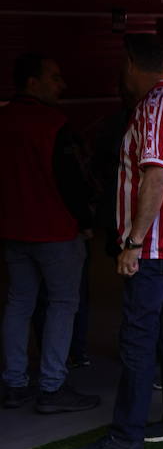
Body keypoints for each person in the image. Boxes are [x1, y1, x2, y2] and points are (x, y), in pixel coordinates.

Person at [67, 35, 163, 449]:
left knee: (137, 338)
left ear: (132, 64)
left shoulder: (154, 108)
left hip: (156, 248)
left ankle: (126, 438)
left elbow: (157, 176)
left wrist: (134, 242)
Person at [0, 53, 98, 414]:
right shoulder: (55, 123)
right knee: (62, 304)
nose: (62, 85)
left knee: (19, 302)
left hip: (13, 230)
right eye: (54, 78)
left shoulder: (4, 119)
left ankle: (14, 383)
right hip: (56, 231)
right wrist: (86, 221)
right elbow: (72, 181)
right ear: (32, 83)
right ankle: (53, 387)